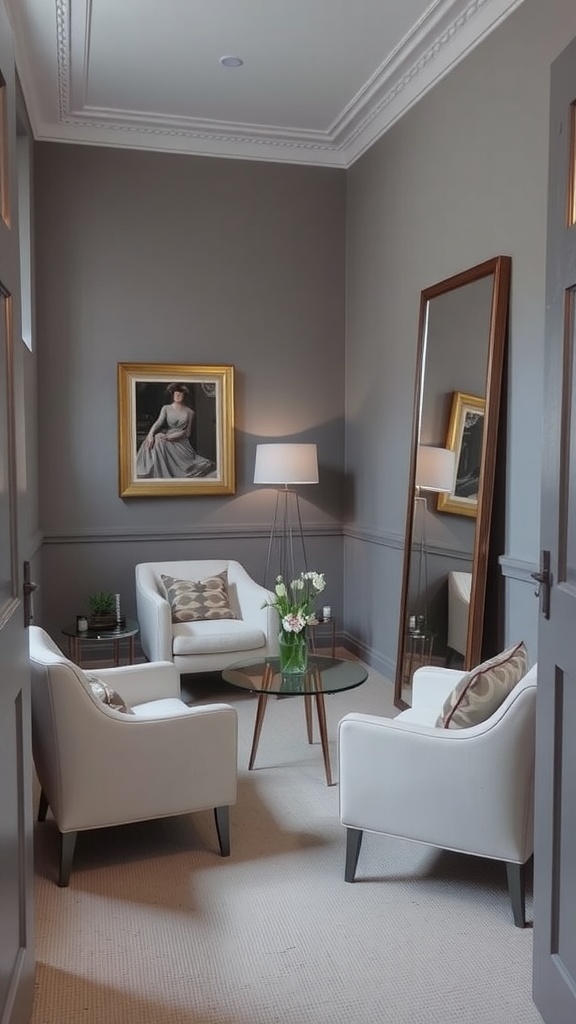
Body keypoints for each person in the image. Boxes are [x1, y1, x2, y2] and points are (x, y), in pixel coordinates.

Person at [136, 383, 214, 479]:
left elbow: (187, 433)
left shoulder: (190, 412)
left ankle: (175, 471)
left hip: (180, 441)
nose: (177, 396)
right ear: (172, 395)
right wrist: (150, 435)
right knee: (157, 439)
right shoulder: (166, 408)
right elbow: (158, 423)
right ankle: (160, 473)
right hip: (167, 438)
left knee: (161, 440)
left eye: (180, 394)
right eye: (175, 394)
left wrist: (173, 436)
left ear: (184, 396)